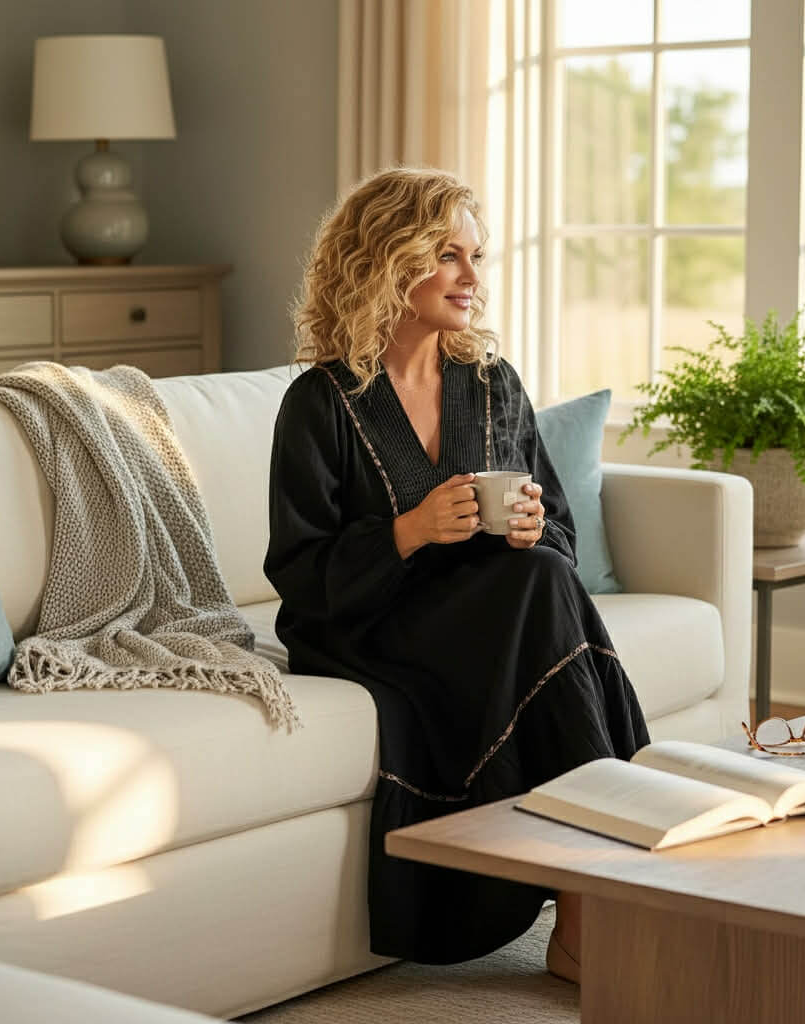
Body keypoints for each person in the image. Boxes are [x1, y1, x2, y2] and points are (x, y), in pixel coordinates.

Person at [264, 167, 650, 980]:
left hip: (490, 608)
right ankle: (600, 899)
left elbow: (562, 541)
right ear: (386, 260)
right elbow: (299, 575)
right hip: (371, 628)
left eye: (478, 256)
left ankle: (587, 908)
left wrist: (534, 527)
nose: (474, 279)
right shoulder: (320, 402)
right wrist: (406, 532)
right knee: (541, 596)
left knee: (542, 580)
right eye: (450, 255)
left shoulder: (492, 383)